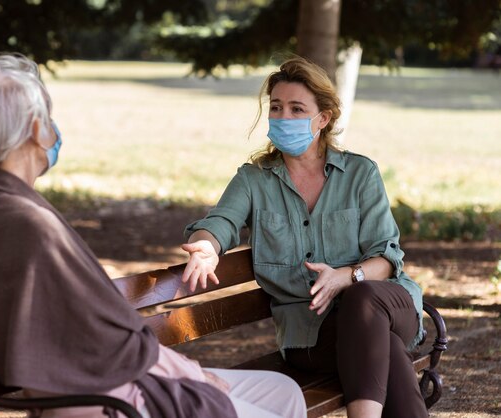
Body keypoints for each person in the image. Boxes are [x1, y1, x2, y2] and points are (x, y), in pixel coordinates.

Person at [0, 53, 307, 418]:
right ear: (34, 128)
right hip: (101, 395)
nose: (53, 129)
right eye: (48, 117)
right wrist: (191, 374)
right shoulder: (29, 224)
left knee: (283, 392)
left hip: (85, 381)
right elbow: (110, 338)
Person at [181, 55, 428, 418]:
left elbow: (386, 259)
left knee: (364, 299)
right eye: (277, 108)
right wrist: (206, 245)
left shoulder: (360, 174)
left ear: (322, 118)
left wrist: (344, 277)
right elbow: (221, 222)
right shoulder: (254, 180)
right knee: (383, 349)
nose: (284, 118)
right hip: (311, 335)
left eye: (297, 109)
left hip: (387, 306)